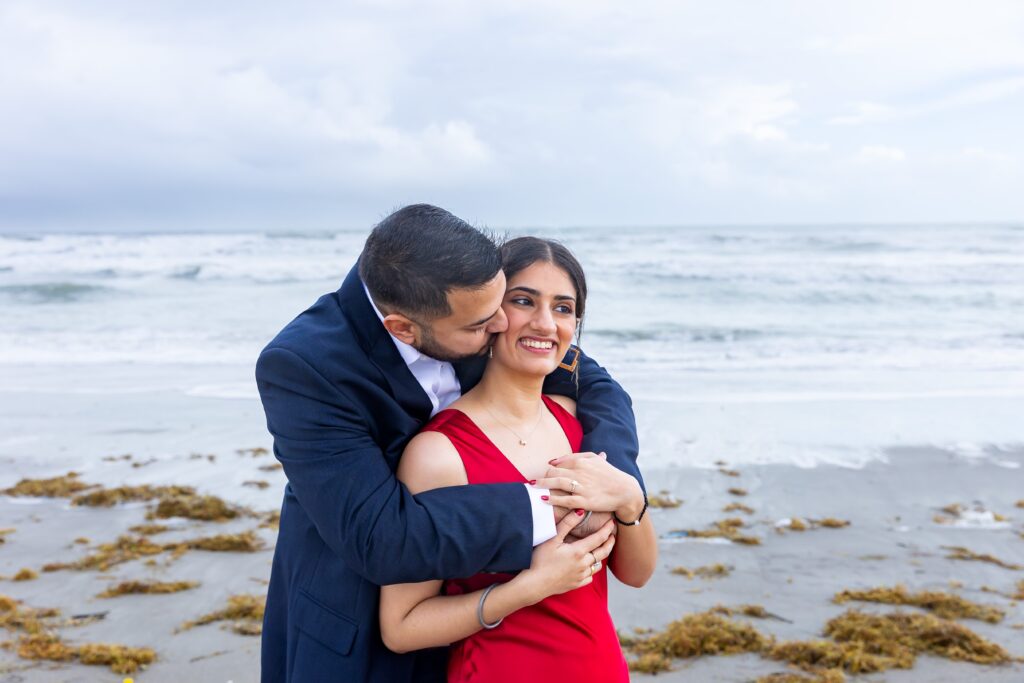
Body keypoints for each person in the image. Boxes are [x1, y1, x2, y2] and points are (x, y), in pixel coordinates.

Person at [255, 205, 645, 682]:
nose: (503, 325)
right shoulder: (305, 367)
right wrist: (557, 503)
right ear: (403, 328)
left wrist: (614, 481)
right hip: (355, 620)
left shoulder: (465, 298)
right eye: (484, 324)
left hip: (487, 629)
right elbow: (381, 539)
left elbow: (597, 383)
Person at [379, 237, 657, 682]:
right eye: (524, 301)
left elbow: (637, 573)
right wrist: (526, 589)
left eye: (563, 308)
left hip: (599, 667)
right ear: (489, 313)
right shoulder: (438, 453)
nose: (545, 323)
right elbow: (401, 626)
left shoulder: (582, 427)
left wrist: (629, 498)